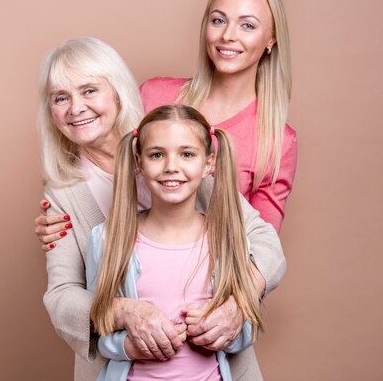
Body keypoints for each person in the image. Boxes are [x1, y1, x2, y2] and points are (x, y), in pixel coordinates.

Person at [37, 36, 284, 380]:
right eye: (60, 98)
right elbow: (62, 296)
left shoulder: (174, 149)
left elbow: (265, 242)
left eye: (89, 91)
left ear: (118, 91)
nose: (75, 107)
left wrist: (237, 306)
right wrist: (122, 312)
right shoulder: (64, 195)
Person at [87, 104, 262, 380]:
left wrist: (216, 335)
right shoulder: (107, 239)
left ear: (208, 163)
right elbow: (99, 328)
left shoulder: (228, 238)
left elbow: (245, 329)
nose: (171, 167)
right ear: (138, 162)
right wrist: (128, 346)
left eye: (187, 154)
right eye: (157, 154)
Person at [141, 0, 297, 233]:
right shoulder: (153, 96)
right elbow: (103, 175)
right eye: (218, 20)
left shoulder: (279, 140)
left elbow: (262, 247)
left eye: (247, 25)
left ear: (271, 39)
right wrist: (61, 217)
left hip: (216, 272)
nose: (227, 35)